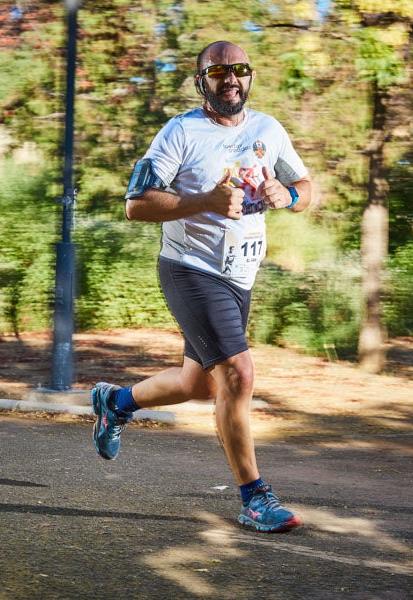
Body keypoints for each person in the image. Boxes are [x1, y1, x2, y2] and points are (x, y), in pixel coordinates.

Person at [91, 40, 313, 533]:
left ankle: (116, 401)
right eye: (218, 72)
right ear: (202, 82)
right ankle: (255, 498)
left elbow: (307, 189)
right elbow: (136, 204)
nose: (230, 79)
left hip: (241, 275)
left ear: (249, 77)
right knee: (238, 375)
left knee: (199, 385)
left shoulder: (268, 129)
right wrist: (205, 202)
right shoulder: (180, 133)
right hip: (190, 268)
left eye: (239, 69)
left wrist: (290, 192)